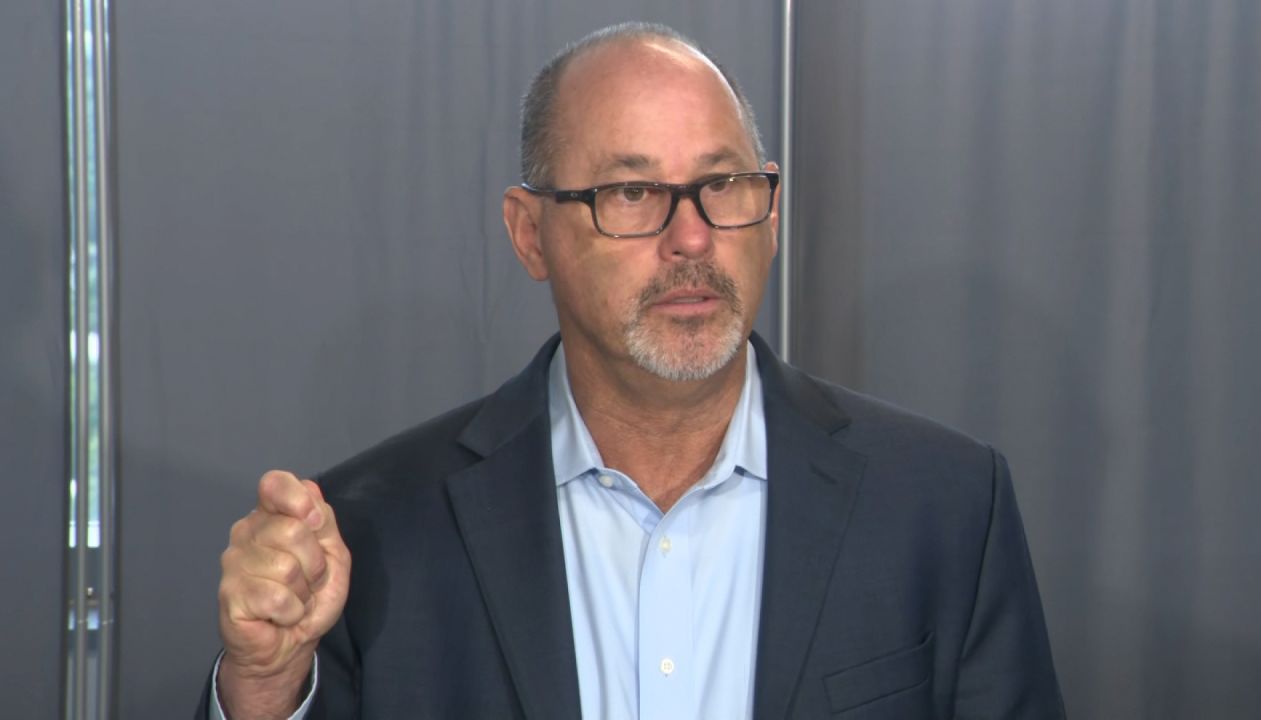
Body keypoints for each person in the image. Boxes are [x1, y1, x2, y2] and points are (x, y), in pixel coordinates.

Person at [200, 22, 1065, 720]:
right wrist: (266, 695)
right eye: (632, 194)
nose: (691, 237)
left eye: (722, 184)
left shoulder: (946, 507)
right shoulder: (374, 531)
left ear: (768, 214)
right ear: (530, 233)